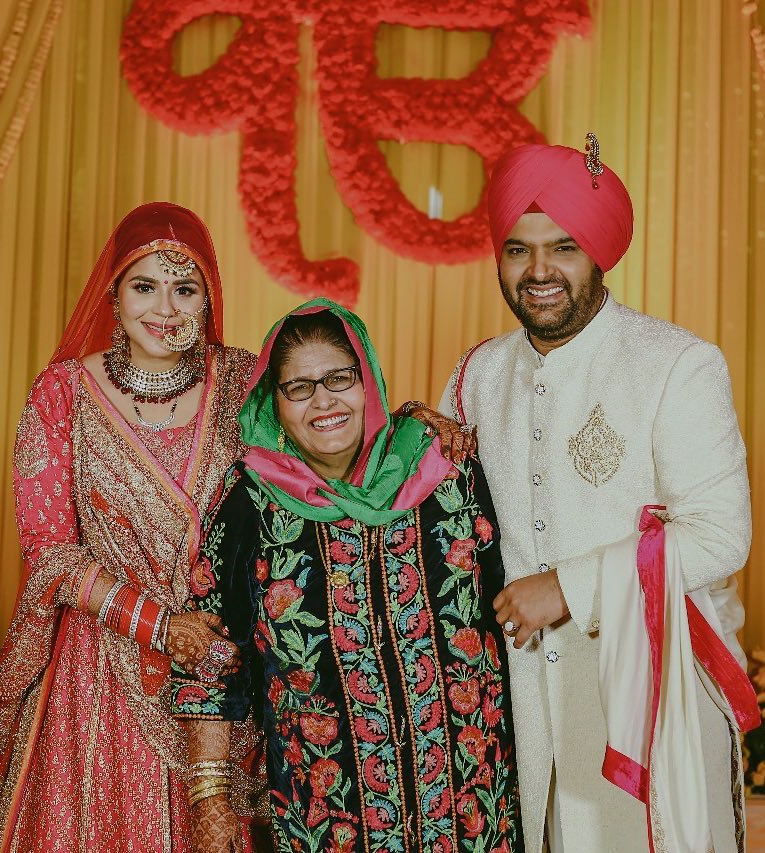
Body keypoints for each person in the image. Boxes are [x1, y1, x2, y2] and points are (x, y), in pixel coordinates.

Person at [437, 137, 756, 852]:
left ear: (599, 252)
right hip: (518, 708)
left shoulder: (676, 363)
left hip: (652, 698)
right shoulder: (476, 374)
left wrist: (566, 587)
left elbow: (718, 534)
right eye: (517, 250)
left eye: (563, 247)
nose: (538, 271)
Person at [0, 202, 267, 852]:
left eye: (185, 289)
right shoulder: (63, 393)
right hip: (97, 671)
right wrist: (160, 626)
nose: (166, 309)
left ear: (209, 297)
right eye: (145, 286)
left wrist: (414, 424)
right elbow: (50, 553)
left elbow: (327, 451)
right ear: (114, 294)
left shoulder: (245, 383)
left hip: (215, 669)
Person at [171, 299, 523, 853]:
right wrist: (209, 793)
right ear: (273, 403)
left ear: (368, 383)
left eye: (339, 378)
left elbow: (516, 596)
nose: (324, 401)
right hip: (327, 820)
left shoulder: (446, 475)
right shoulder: (250, 505)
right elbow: (210, 651)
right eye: (299, 387)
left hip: (469, 811)